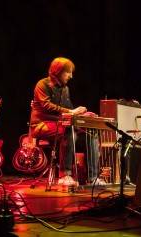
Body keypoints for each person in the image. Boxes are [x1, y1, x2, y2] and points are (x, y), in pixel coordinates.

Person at [30, 57, 104, 187]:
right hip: (41, 125)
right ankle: (65, 175)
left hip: (61, 124)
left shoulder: (65, 89)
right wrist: (71, 112)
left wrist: (82, 114)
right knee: (68, 129)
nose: (71, 76)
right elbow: (47, 106)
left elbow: (69, 110)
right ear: (57, 72)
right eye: (68, 72)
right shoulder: (42, 84)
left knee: (91, 134)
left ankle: (93, 178)